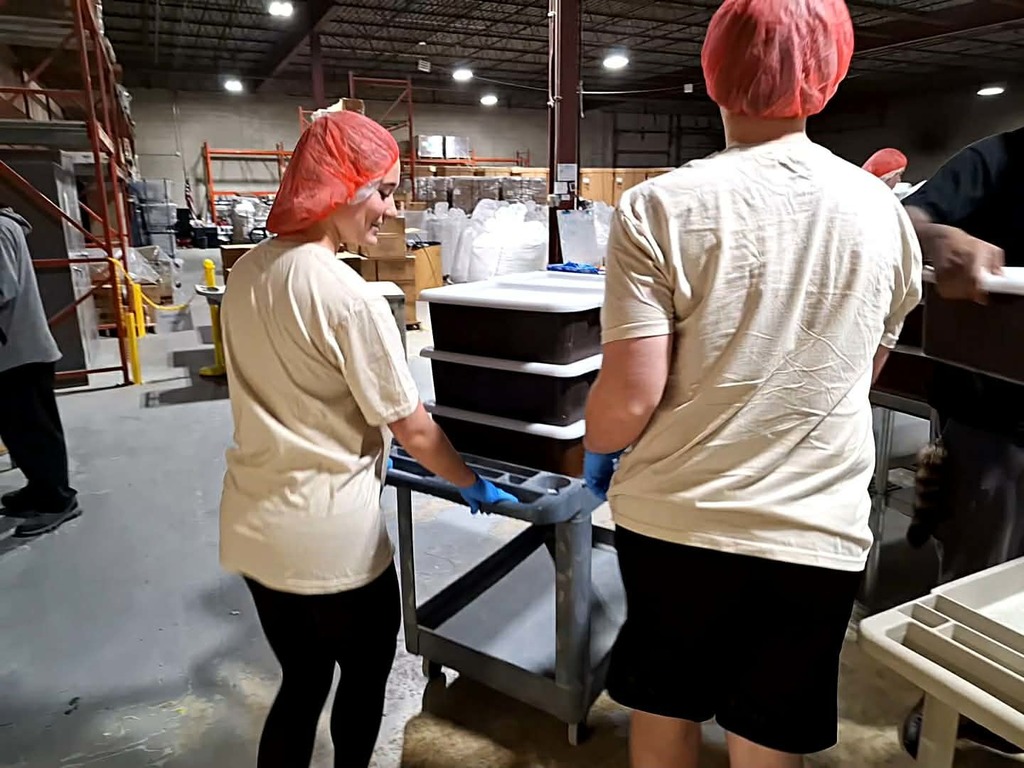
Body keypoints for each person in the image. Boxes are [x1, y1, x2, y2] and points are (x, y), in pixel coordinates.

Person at [582, 0, 922, 766]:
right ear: (829, 79)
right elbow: (857, 376)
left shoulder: (657, 207)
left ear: (713, 76)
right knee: (769, 736)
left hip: (677, 521)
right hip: (814, 529)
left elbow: (630, 399)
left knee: (663, 708)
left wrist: (595, 449)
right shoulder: (884, 214)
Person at [218, 111, 515, 768]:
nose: (388, 207)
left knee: (301, 683)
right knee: (362, 676)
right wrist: (472, 484)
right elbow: (410, 427)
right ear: (335, 189)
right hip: (329, 540)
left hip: (255, 524)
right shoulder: (346, 296)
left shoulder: (245, 272)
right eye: (379, 190)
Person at [898, 126, 1024, 757]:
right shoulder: (997, 160)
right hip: (992, 413)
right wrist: (938, 237)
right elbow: (906, 217)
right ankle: (954, 710)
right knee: (979, 574)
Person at [0, 207, 81, 538]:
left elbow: (2, 289)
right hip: (10, 352)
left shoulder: (0, 229)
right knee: (18, 431)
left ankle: (58, 501)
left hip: (20, 351)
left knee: (35, 429)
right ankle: (38, 488)